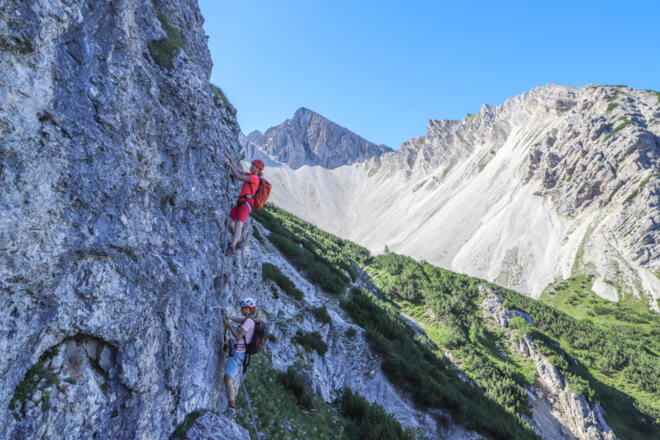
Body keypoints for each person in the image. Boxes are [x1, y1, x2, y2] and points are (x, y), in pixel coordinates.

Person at [222, 297, 258, 417]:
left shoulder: (249, 322)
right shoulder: (252, 320)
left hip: (238, 354)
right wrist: (230, 317)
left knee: (228, 380)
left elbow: (238, 337)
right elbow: (240, 320)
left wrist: (229, 326)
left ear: (250, 308)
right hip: (241, 353)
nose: (243, 311)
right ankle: (227, 348)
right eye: (242, 308)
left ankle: (231, 408)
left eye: (245, 309)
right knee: (231, 342)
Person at [224, 152, 264, 256]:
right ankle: (237, 241)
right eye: (252, 165)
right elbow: (239, 170)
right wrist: (231, 159)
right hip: (241, 202)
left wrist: (229, 165)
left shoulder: (254, 178)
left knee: (238, 224)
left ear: (257, 169)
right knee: (229, 222)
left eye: (253, 165)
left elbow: (238, 176)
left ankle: (233, 246)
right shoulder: (251, 175)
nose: (251, 166)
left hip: (246, 203)